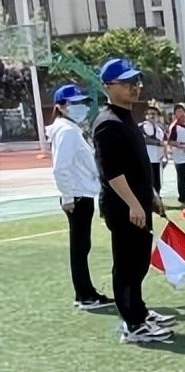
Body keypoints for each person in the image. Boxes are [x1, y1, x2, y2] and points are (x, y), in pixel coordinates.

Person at [92, 57, 175, 344]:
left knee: (139, 262)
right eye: (127, 83)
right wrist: (133, 203)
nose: (134, 88)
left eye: (136, 82)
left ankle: (138, 311)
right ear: (109, 87)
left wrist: (150, 195)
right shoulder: (107, 124)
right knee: (127, 265)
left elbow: (138, 165)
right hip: (124, 208)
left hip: (138, 203)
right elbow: (112, 172)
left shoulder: (127, 118)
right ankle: (133, 324)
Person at [47, 83, 111, 310]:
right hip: (77, 196)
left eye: (81, 102)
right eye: (73, 103)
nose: (79, 107)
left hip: (81, 193)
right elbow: (60, 168)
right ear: (61, 107)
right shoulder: (67, 131)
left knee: (82, 245)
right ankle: (84, 294)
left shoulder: (70, 129)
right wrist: (67, 196)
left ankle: (86, 291)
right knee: (80, 246)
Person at [166, 103, 185, 207]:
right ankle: (183, 199)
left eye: (182, 111)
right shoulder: (175, 127)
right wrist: (183, 146)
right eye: (178, 112)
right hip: (180, 158)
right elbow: (171, 141)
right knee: (182, 179)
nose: (181, 113)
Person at [139, 104, 167, 197]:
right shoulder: (142, 126)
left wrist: (165, 156)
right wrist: (158, 143)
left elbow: (164, 143)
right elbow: (144, 139)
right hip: (146, 158)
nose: (152, 116)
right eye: (150, 113)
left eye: (154, 114)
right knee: (147, 181)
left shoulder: (159, 129)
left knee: (157, 182)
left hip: (157, 159)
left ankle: (157, 198)